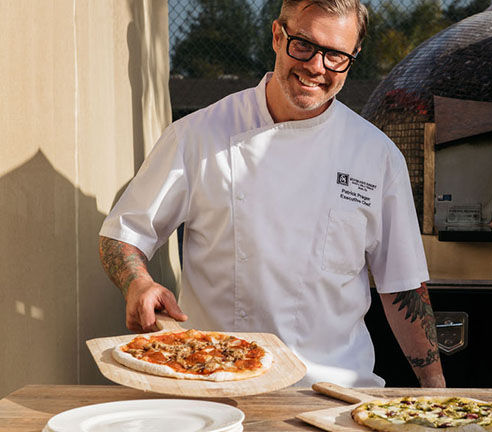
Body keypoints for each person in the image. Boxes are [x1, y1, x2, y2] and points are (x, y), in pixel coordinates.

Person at [98, 0, 445, 388]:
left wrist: (436, 391)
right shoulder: (197, 135)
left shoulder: (377, 156)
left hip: (335, 391)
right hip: (215, 382)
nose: (317, 66)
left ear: (352, 57)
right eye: (304, 45)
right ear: (278, 36)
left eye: (335, 56)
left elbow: (403, 285)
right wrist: (137, 282)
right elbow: (123, 234)